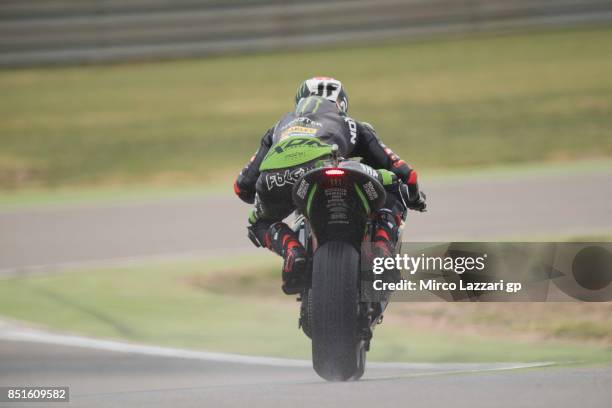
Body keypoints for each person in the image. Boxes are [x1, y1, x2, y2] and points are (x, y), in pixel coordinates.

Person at [233, 77, 426, 294]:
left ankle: (292, 250)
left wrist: (266, 199)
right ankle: (382, 246)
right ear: (341, 103)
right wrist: (415, 198)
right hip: (325, 167)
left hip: (276, 178)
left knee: (259, 222)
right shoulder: (353, 124)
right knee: (395, 184)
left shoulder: (278, 127)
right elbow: (405, 172)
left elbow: (242, 187)